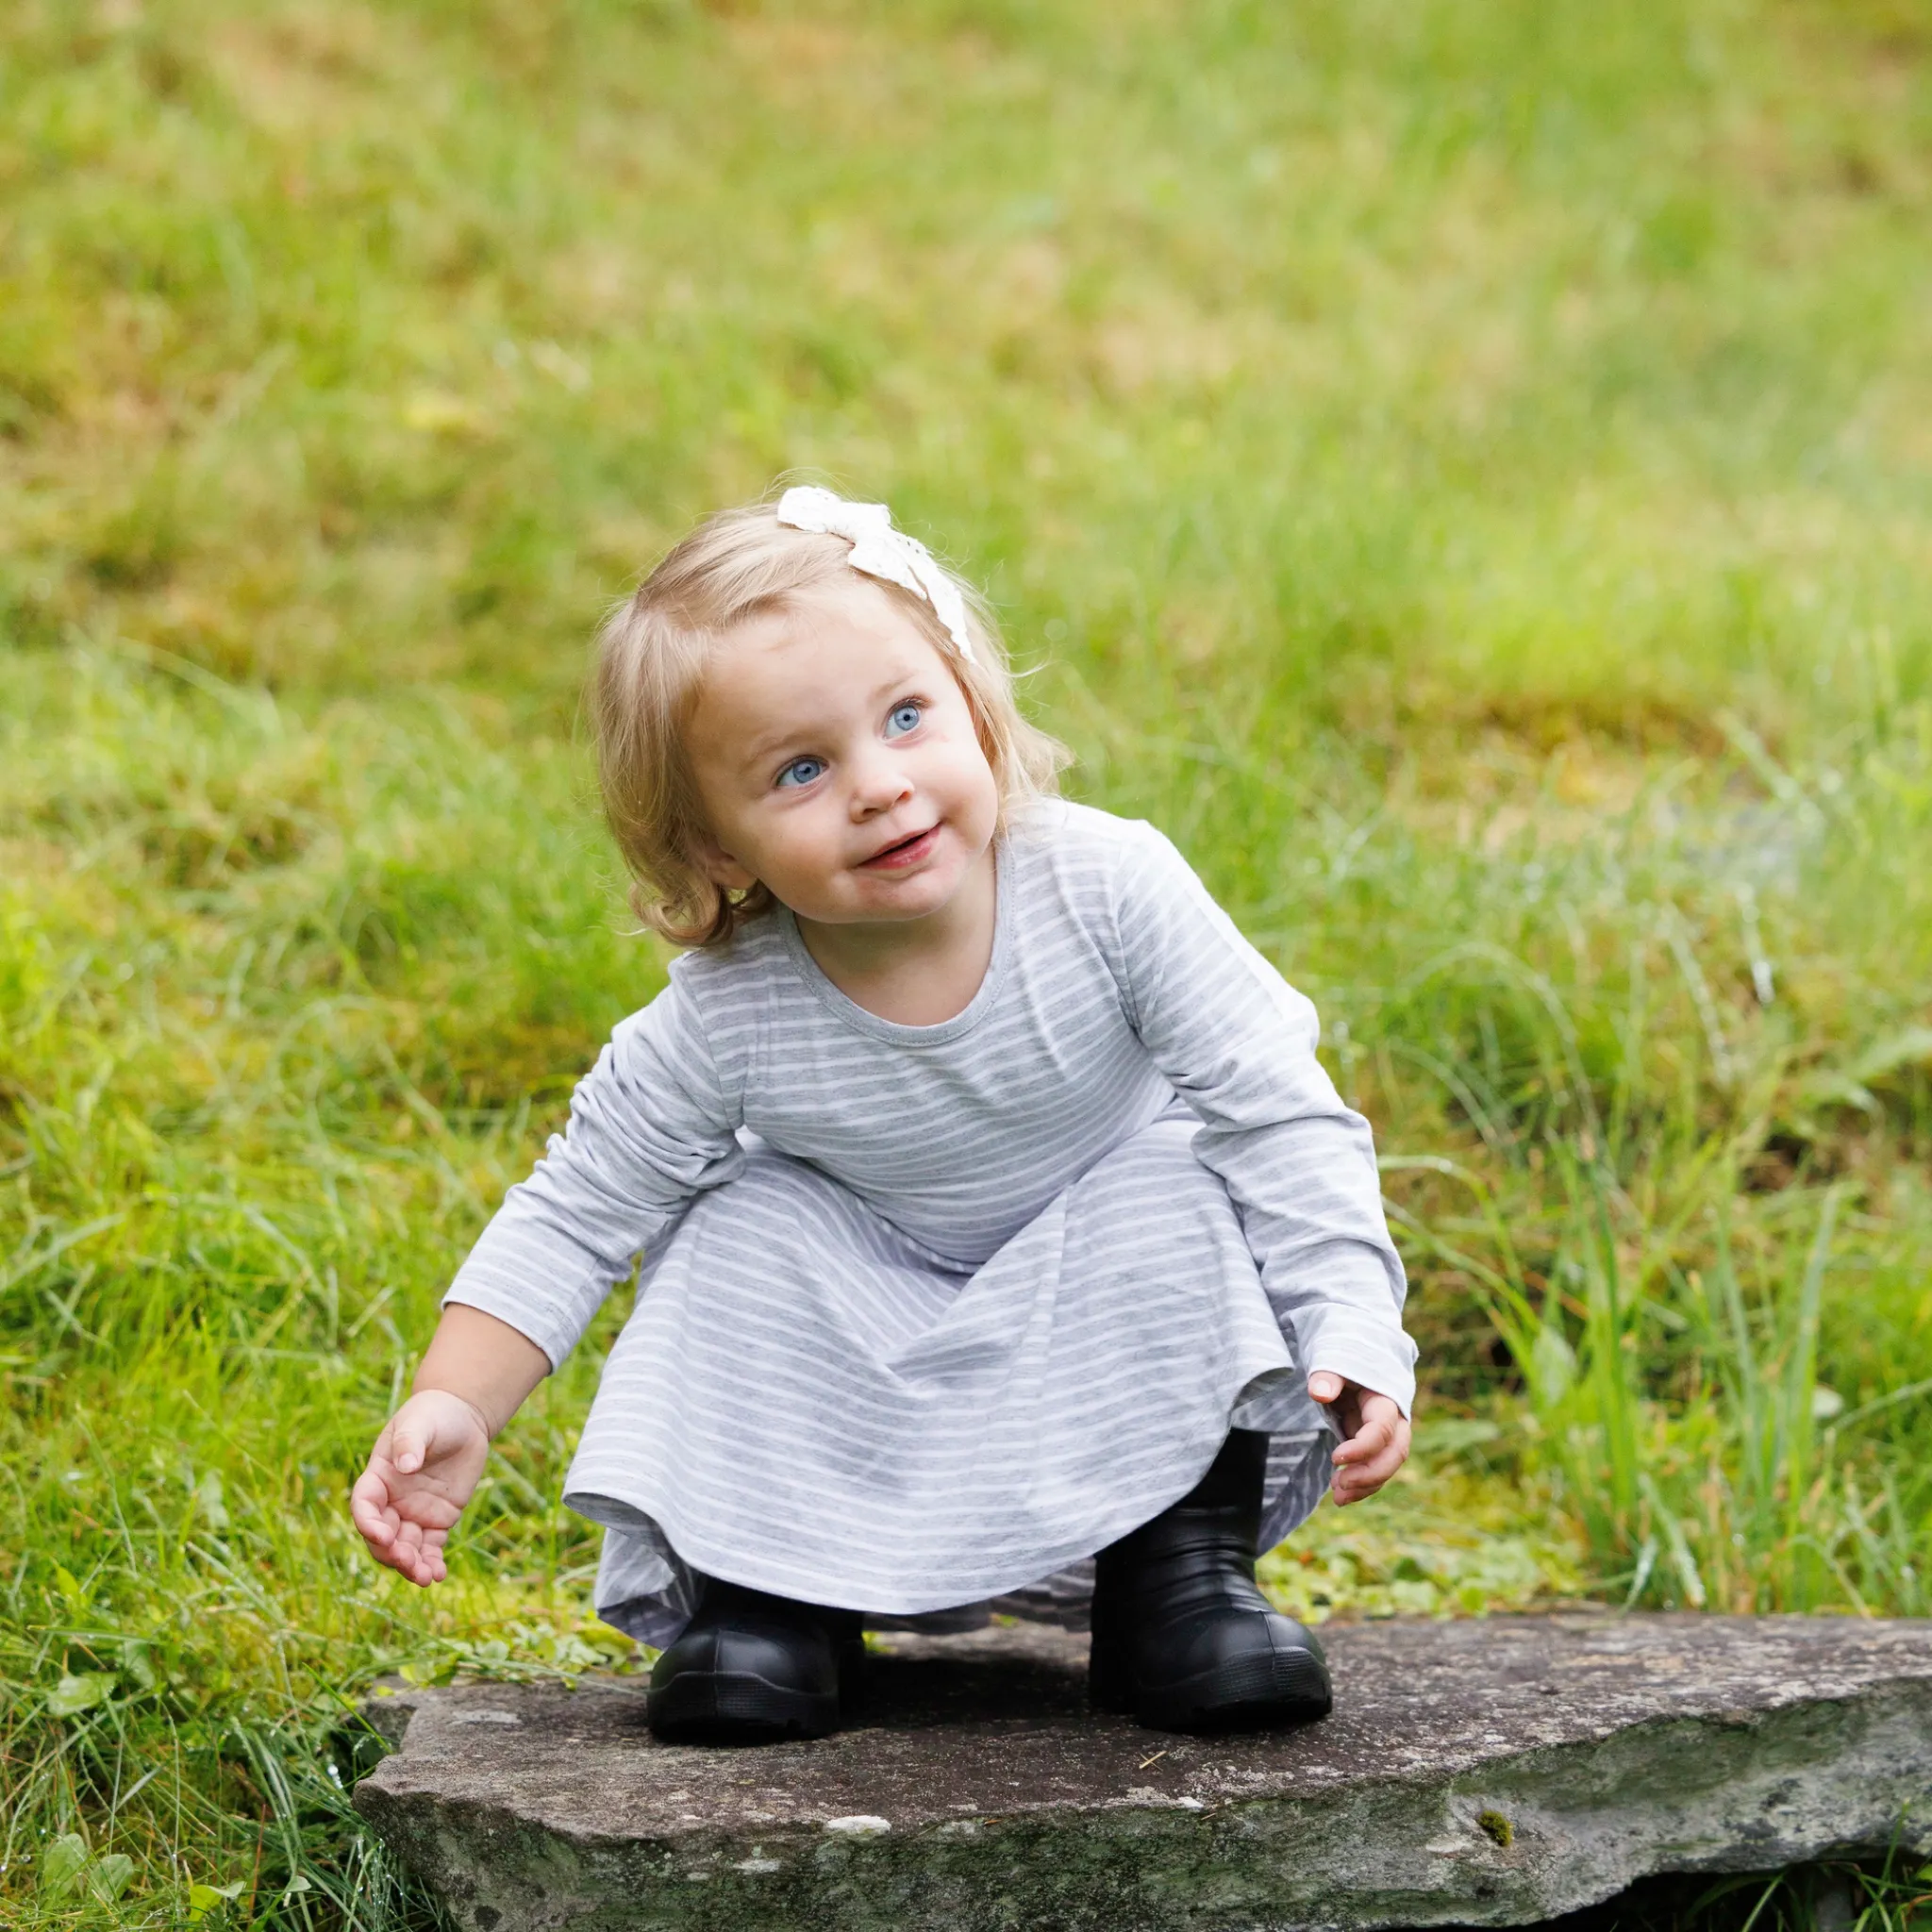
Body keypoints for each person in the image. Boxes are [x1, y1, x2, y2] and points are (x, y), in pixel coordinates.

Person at [350, 486, 1417, 1743]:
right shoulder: (730, 1013)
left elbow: (1277, 1112)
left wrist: (1351, 1315)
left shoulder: (1110, 891)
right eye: (799, 770)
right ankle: (773, 1602)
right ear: (720, 852)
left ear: (973, 700)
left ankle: (1173, 1582)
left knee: (1185, 1175)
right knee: (741, 1219)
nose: (879, 786)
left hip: (1106, 1317)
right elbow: (581, 1207)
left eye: (907, 718)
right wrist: (457, 1401)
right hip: (863, 1342)